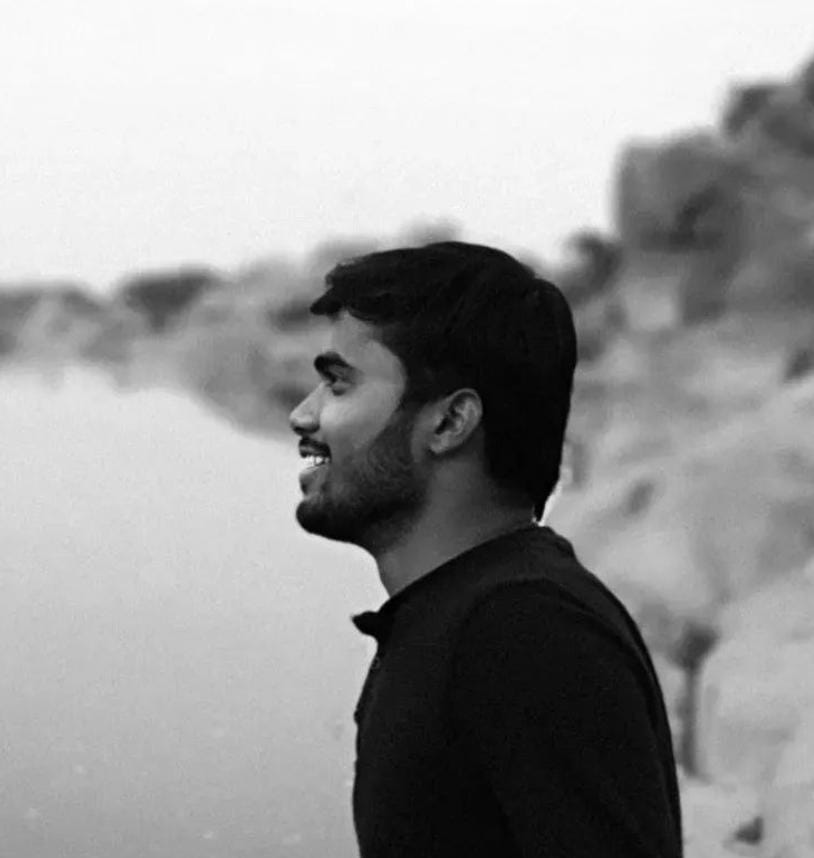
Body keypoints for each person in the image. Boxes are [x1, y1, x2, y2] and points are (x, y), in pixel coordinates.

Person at [289, 241, 683, 857]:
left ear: (450, 423)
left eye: (338, 385)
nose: (302, 415)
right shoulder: (466, 615)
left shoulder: (523, 629)